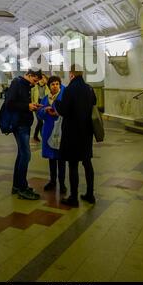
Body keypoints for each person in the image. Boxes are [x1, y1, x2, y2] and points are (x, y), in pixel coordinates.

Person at [55, 64, 96, 208]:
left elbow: (64, 111)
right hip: (86, 132)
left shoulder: (69, 89)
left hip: (72, 132)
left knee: (73, 165)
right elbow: (94, 104)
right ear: (81, 73)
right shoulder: (89, 89)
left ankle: (73, 197)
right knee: (87, 163)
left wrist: (57, 103)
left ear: (71, 74)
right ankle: (90, 194)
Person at [7, 69, 43, 200]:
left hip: (24, 124)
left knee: (22, 155)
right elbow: (10, 103)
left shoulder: (25, 85)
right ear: (29, 76)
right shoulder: (17, 83)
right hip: (20, 125)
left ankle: (17, 185)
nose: (35, 84)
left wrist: (33, 106)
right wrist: (27, 106)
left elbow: (21, 103)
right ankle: (22, 188)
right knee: (26, 155)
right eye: (34, 80)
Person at [37, 76, 66, 193]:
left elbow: (67, 112)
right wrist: (43, 111)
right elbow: (39, 115)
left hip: (60, 131)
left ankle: (62, 183)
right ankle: (52, 181)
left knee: (61, 159)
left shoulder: (63, 98)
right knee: (52, 159)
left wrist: (57, 112)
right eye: (53, 84)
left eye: (57, 84)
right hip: (48, 130)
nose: (55, 86)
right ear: (49, 87)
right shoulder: (45, 99)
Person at [32, 74, 50, 143]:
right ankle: (42, 136)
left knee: (41, 121)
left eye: (44, 78)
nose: (42, 79)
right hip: (37, 104)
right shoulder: (35, 86)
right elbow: (32, 96)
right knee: (40, 121)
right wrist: (33, 104)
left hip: (44, 104)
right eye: (41, 78)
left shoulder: (47, 87)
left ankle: (35, 135)